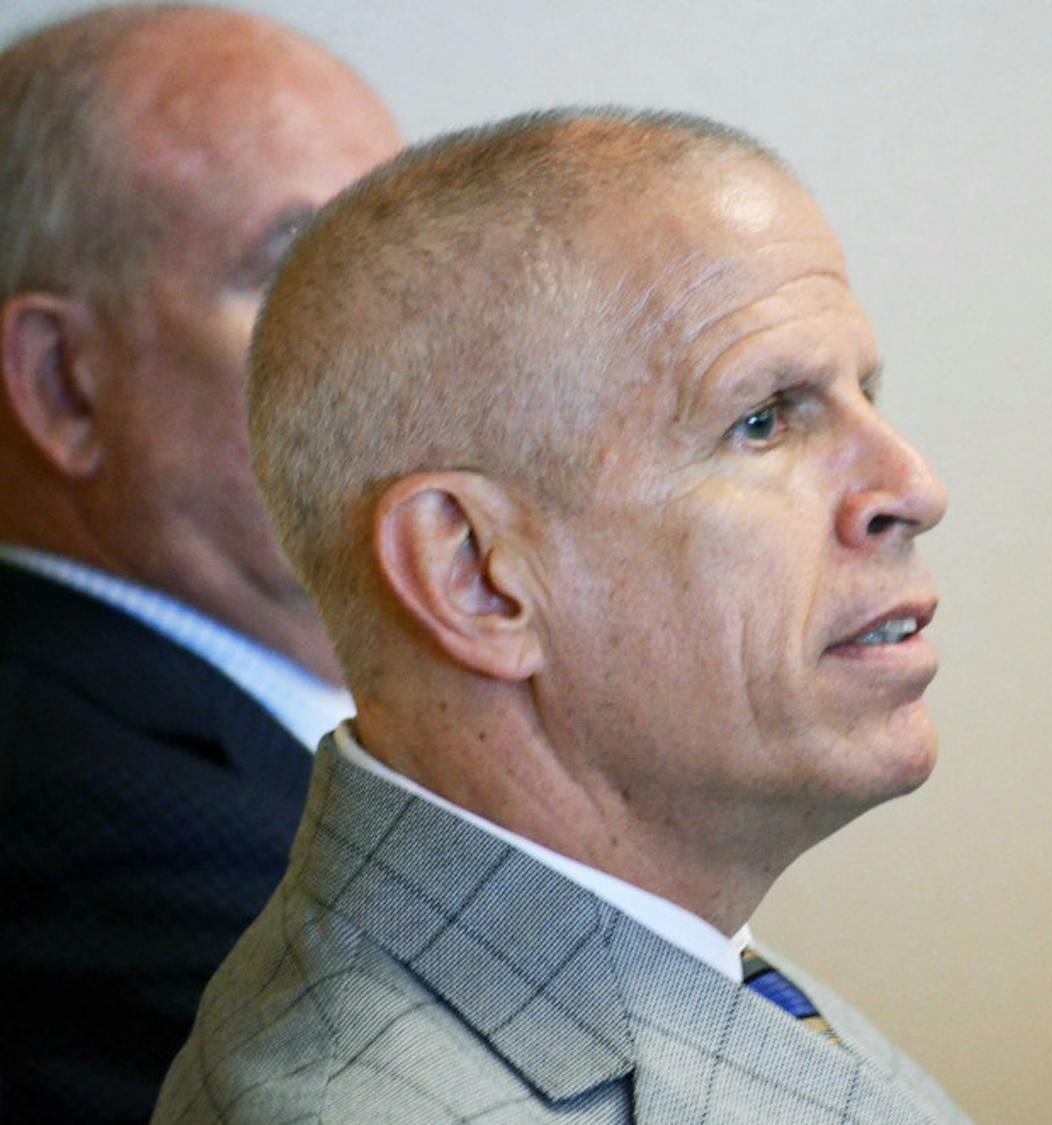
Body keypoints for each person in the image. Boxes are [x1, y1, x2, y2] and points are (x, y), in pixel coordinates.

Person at [153, 109, 966, 1123]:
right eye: (762, 421)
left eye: (865, 395)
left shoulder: (688, 960)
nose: (913, 488)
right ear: (476, 576)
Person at [0, 6, 402, 1120]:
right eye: (306, 272)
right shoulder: (121, 836)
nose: (425, 342)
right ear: (64, 384)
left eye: (412, 266)